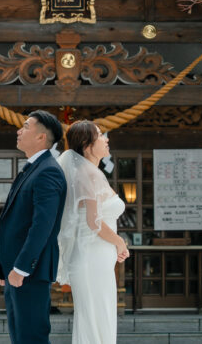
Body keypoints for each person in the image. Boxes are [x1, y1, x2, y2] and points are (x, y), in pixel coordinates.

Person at [0, 110, 68, 344]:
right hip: (15, 270)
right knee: (20, 336)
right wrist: (4, 268)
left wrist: (22, 268)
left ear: (41, 137)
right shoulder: (33, 168)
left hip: (29, 272)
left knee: (31, 336)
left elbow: (42, 226)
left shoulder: (48, 171)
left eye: (25, 126)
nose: (19, 130)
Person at [56, 120, 129, 344]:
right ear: (87, 145)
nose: (106, 139)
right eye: (100, 136)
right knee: (96, 318)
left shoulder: (89, 172)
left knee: (99, 316)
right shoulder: (87, 175)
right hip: (91, 257)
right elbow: (93, 222)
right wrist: (120, 242)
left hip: (96, 256)